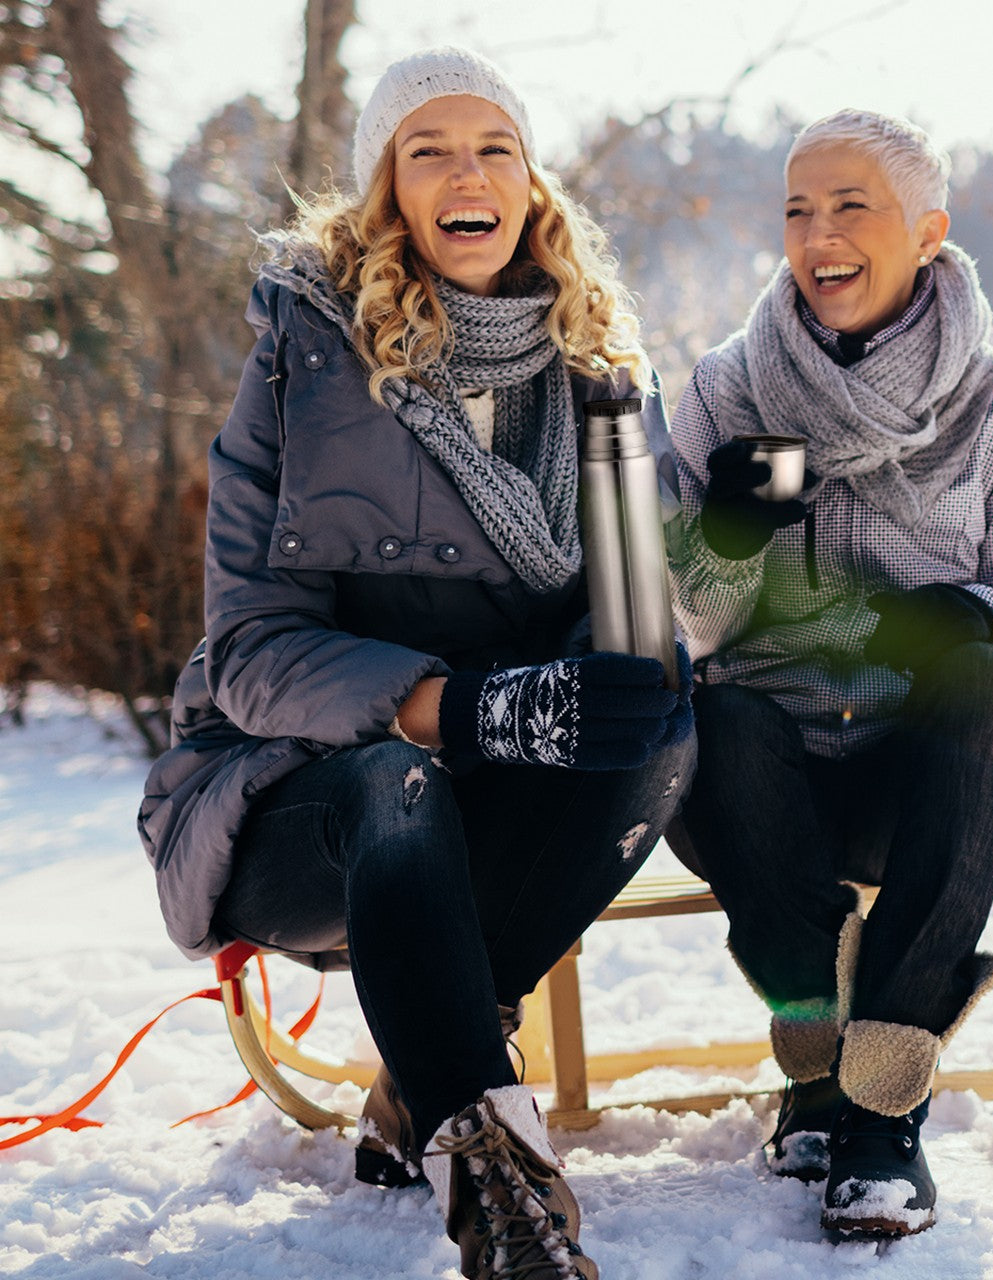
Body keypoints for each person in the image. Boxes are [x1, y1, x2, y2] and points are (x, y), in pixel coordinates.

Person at [137, 46, 693, 1280]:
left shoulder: (600, 364)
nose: (466, 172)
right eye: (427, 149)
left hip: (510, 783)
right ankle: (501, 1196)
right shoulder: (303, 351)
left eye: (494, 147)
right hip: (300, 789)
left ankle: (426, 1064)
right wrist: (473, 707)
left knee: (659, 714)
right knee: (401, 784)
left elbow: (642, 618)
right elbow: (251, 649)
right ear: (385, 188)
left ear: (532, 181)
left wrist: (631, 637)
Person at [664, 109, 993, 1239]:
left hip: (916, 780)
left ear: (928, 232)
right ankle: (813, 1057)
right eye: (798, 208)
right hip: (762, 775)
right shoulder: (724, 392)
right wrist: (730, 532)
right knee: (719, 712)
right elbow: (672, 624)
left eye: (851, 205)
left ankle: (880, 1104)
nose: (818, 233)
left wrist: (963, 619)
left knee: (984, 681)